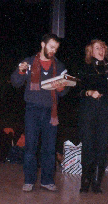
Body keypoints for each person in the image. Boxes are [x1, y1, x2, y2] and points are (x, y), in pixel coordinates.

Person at [11, 33, 69, 192]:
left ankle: (47, 180)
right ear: (43, 44)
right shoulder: (28, 62)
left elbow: (64, 92)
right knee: (30, 146)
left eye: (56, 48)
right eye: (51, 47)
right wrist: (20, 71)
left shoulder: (60, 66)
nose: (53, 51)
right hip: (32, 109)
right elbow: (15, 82)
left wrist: (62, 87)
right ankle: (28, 180)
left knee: (49, 148)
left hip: (51, 111)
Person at [77, 40, 108, 193]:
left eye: (103, 47)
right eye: (97, 48)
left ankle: (97, 183)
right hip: (88, 111)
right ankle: (85, 181)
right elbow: (78, 91)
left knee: (102, 148)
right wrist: (89, 92)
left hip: (106, 112)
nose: (101, 50)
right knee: (88, 147)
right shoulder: (85, 67)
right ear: (91, 51)